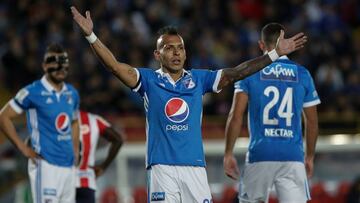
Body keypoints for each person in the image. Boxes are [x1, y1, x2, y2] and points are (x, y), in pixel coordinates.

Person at [70, 6, 307, 202]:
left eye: (180, 48)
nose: (176, 53)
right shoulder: (148, 81)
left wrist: (274, 54)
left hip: (195, 168)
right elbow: (114, 66)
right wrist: (91, 36)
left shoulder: (199, 79)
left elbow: (236, 73)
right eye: (169, 48)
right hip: (162, 168)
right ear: (157, 54)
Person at [223, 23, 320, 203]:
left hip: (260, 153)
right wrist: (310, 157)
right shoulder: (303, 74)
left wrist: (228, 153)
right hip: (292, 156)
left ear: (261, 45)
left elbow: (235, 116)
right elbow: (312, 122)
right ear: (286, 44)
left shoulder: (250, 73)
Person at [0, 43, 80, 203]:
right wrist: (22, 147)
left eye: (62, 63)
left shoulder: (72, 93)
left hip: (68, 167)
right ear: (44, 66)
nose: (59, 67)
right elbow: (3, 116)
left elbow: (74, 121)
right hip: (45, 167)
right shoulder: (32, 92)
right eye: (54, 62)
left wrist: (76, 150)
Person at [76, 110, 124, 203]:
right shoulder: (94, 120)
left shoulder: (61, 117)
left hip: (65, 179)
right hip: (87, 181)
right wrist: (103, 166)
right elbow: (118, 139)